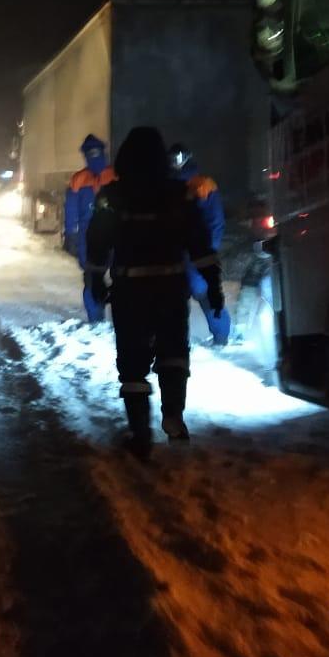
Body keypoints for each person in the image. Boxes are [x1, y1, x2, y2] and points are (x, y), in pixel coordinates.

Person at [85, 127, 223, 455]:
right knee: (173, 352)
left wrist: (94, 282)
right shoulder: (181, 194)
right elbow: (201, 245)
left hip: (129, 290)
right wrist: (213, 286)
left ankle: (140, 433)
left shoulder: (111, 196)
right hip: (171, 287)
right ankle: (173, 416)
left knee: (132, 363)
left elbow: (97, 245)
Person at [167, 142, 232, 346]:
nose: (176, 163)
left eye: (179, 158)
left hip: (197, 252)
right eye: (172, 159)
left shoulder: (204, 184)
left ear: (187, 158)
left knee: (204, 291)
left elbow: (216, 221)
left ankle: (221, 337)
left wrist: (208, 250)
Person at [63, 134, 116, 321]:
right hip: (111, 236)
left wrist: (71, 235)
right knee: (116, 278)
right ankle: (113, 321)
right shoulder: (115, 175)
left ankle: (97, 320)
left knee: (93, 279)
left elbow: (71, 211)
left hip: (91, 238)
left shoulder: (79, 179)